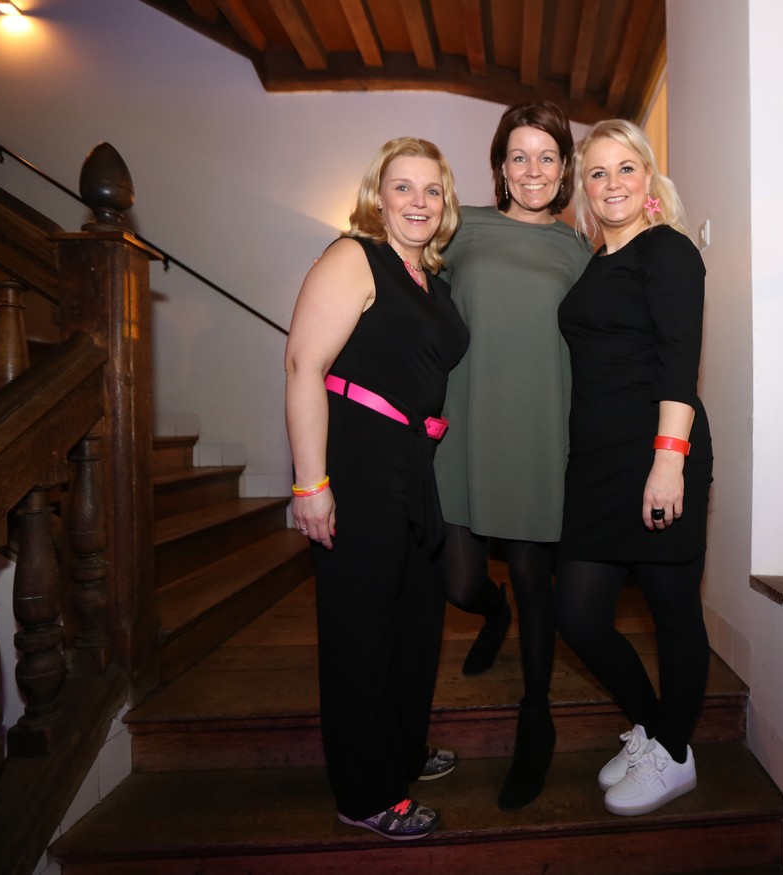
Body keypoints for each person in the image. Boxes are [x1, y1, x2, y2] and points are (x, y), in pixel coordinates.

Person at [284, 137, 469, 840]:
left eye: (431, 189)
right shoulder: (353, 257)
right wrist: (311, 482)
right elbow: (303, 365)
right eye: (403, 187)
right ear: (378, 197)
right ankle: (365, 793)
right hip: (359, 458)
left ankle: (403, 750)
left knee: (417, 618)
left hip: (414, 462)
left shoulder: (433, 281)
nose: (418, 201)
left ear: (445, 203)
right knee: (361, 629)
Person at [433, 101, 593, 810]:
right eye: (519, 156)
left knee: (535, 579)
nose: (532, 170)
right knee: (457, 581)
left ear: (563, 169)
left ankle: (537, 715)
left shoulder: (578, 249)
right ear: (500, 165)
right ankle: (489, 612)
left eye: (547, 157)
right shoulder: (460, 225)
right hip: (463, 423)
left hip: (540, 431)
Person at [554, 119, 713, 817]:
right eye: (597, 172)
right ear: (584, 190)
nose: (611, 183)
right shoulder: (597, 261)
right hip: (597, 464)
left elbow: (680, 359)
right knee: (577, 615)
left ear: (648, 177)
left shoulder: (668, 249)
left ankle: (674, 754)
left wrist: (668, 462)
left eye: (625, 168)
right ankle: (653, 728)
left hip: (656, 453)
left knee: (673, 612)